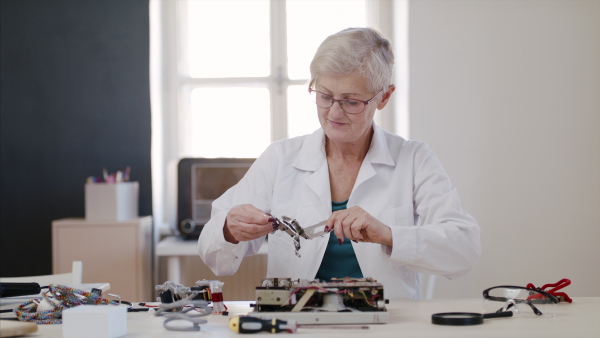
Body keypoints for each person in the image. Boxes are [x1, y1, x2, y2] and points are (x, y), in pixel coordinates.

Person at [198, 27, 481, 299]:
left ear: (384, 97)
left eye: (351, 101)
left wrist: (388, 234)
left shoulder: (414, 159)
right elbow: (214, 255)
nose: (334, 112)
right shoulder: (280, 158)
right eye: (324, 96)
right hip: (296, 324)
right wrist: (229, 229)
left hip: (389, 326)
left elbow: (463, 249)